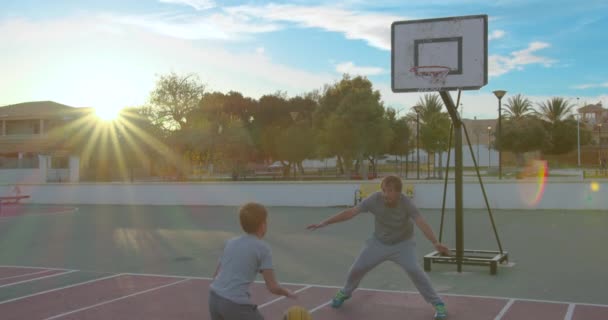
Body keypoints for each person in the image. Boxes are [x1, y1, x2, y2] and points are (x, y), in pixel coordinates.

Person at [307, 175, 450, 320]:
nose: (385, 194)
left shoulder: (406, 203)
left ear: (398, 193)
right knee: (357, 268)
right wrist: (325, 222)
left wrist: (435, 242)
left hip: (403, 245)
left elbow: (420, 221)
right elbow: (351, 212)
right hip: (379, 243)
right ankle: (345, 292)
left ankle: (438, 303)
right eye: (383, 190)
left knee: (415, 271)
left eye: (389, 191)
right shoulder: (374, 199)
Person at [209, 202, 296, 320]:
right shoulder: (263, 248)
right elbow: (272, 287)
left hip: (214, 298)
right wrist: (287, 292)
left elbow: (216, 275)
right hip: (235, 304)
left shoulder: (229, 242)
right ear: (262, 225)